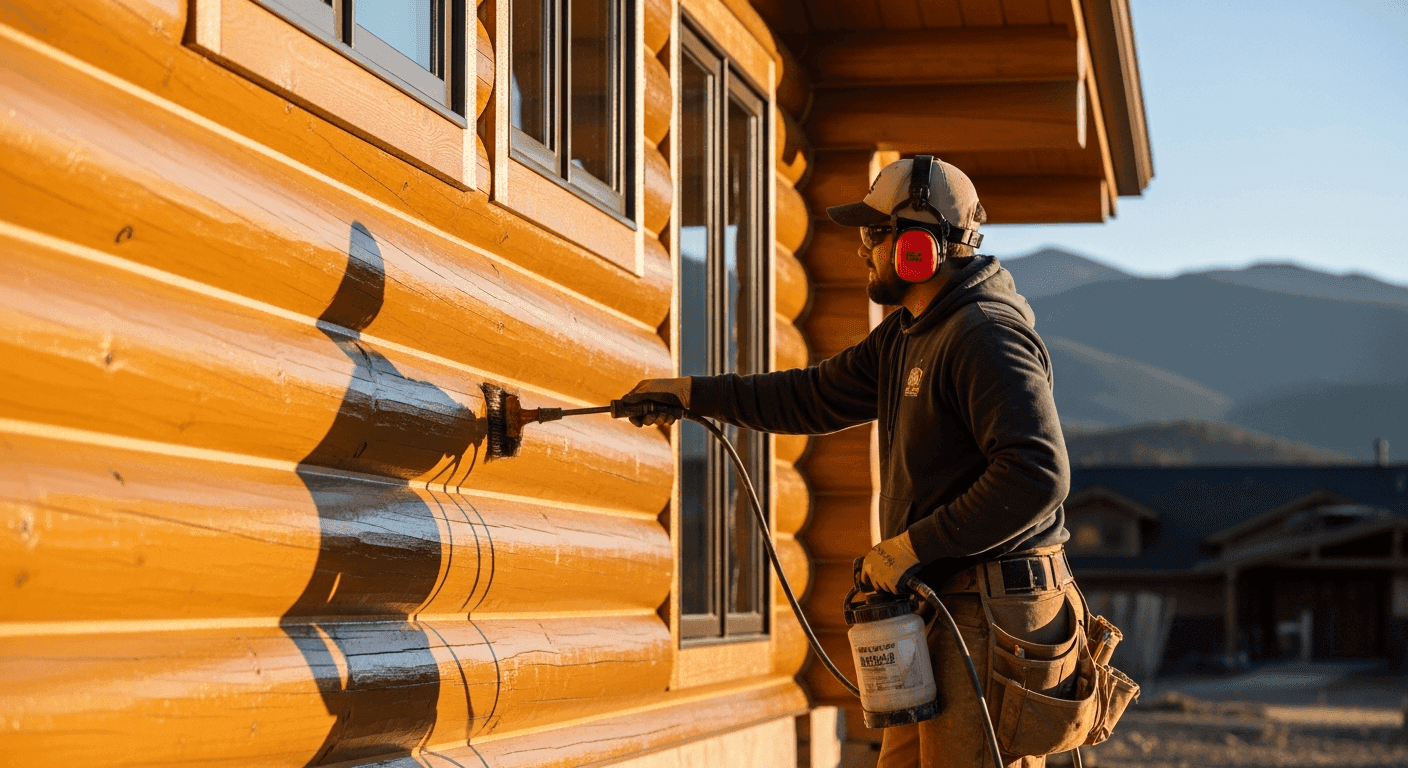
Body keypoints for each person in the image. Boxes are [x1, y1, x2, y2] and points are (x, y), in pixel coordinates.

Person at [622, 156, 1092, 767]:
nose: (862, 249)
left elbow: (1038, 474)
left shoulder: (984, 335)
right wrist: (692, 395)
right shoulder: (909, 334)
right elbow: (811, 396)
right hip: (947, 607)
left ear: (919, 247)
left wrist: (912, 547)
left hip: (993, 615)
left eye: (874, 233)